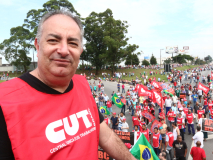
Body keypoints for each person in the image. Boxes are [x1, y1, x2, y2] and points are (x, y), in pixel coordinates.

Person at [0, 10, 135, 160]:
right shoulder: (5, 101)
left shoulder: (82, 84)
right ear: (38, 45)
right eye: (53, 40)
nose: (64, 50)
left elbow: (107, 137)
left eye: (72, 43)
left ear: (80, 51)